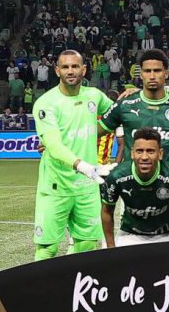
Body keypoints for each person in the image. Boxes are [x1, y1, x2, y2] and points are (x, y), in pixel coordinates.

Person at [31, 50, 116, 261]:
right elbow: (54, 144)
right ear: (57, 70)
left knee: (86, 245)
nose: (71, 71)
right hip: (56, 185)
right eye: (66, 67)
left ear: (84, 70)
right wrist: (82, 165)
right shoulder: (46, 103)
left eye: (75, 66)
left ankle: (68, 284)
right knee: (47, 249)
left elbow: (118, 111)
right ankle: (42, 292)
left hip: (87, 187)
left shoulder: (94, 96)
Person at [98, 49, 169, 179]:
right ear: (141, 74)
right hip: (132, 189)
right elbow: (92, 133)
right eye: (147, 71)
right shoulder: (125, 104)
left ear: (166, 73)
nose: (152, 76)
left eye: (157, 71)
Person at [100, 128, 169, 247]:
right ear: (132, 153)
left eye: (150, 151)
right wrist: (110, 247)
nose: (144, 157)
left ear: (160, 154)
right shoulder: (117, 176)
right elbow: (106, 211)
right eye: (139, 151)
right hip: (130, 234)